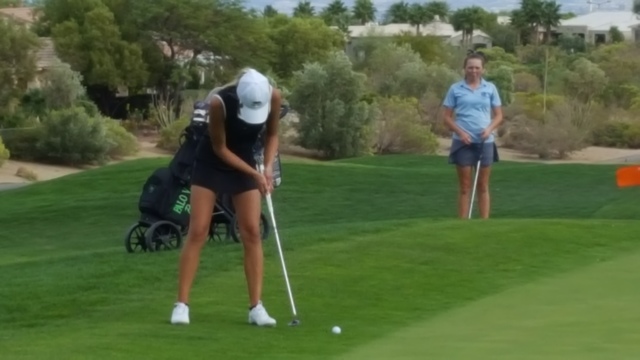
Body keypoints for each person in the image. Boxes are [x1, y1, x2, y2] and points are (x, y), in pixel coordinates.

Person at [170, 68, 282, 327]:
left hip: (247, 163)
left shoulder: (273, 96)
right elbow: (220, 148)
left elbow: (273, 135)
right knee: (198, 230)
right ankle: (181, 305)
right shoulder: (219, 102)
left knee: (252, 231)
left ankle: (256, 308)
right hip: (212, 163)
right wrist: (254, 175)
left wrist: (266, 168)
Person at [442, 51, 503, 219]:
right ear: (464, 68)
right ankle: (463, 225)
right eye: (470, 67)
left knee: (482, 186)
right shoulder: (455, 89)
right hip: (463, 143)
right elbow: (446, 117)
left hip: (485, 141)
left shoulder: (490, 88)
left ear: (483, 69)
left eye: (477, 67)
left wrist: (489, 129)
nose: (473, 71)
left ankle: (484, 223)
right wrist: (461, 133)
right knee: (464, 186)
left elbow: (499, 115)